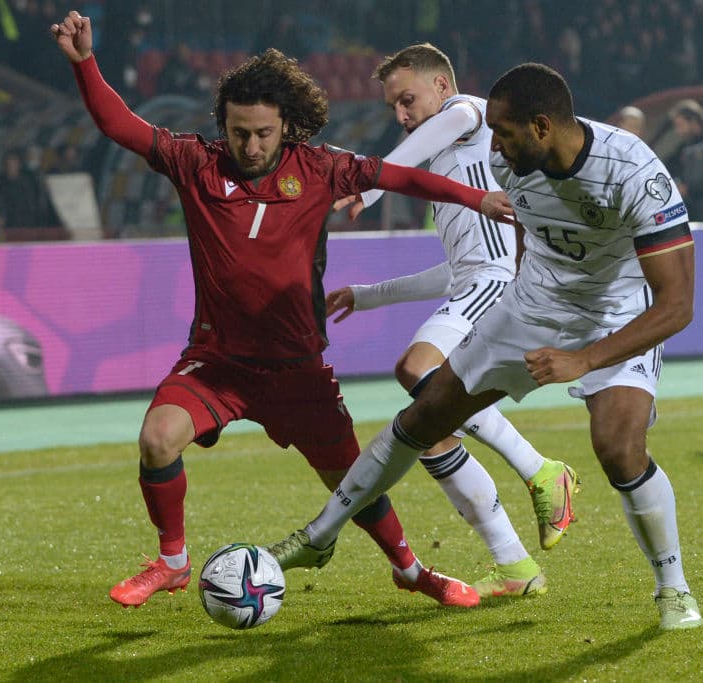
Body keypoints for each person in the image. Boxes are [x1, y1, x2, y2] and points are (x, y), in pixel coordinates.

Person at [50, 10, 515, 610]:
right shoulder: (196, 163)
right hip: (217, 362)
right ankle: (171, 562)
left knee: (355, 483)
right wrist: (85, 62)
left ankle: (410, 570)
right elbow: (121, 125)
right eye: (239, 132)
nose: (250, 145)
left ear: (287, 127)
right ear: (224, 124)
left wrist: (477, 197)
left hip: (298, 371)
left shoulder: (320, 167)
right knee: (157, 439)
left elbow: (403, 178)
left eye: (263, 133)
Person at [268, 62, 703, 631]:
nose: (492, 147)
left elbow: (677, 305)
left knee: (618, 447)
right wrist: (521, 303)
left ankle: (673, 589)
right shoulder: (510, 161)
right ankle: (319, 536)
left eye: (503, 132)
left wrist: (584, 359)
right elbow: (525, 232)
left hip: (615, 312)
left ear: (543, 127)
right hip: (528, 307)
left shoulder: (635, 172)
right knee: (424, 413)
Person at [327, 43, 578, 599]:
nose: (400, 114)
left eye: (407, 99)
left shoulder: (466, 113)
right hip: (477, 282)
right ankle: (513, 564)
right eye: (393, 105)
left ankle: (541, 469)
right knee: (431, 429)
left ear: (441, 86)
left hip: (499, 286)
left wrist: (369, 184)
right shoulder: (451, 164)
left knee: (417, 368)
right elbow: (453, 271)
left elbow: (415, 148)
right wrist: (368, 296)